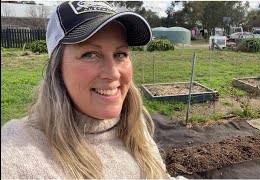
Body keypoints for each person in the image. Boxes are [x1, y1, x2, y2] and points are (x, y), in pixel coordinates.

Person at [1, 1, 183, 179]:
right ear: (57, 68)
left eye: (120, 54)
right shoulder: (14, 153)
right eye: (90, 54)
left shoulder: (133, 125)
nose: (113, 74)